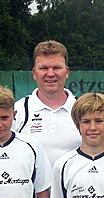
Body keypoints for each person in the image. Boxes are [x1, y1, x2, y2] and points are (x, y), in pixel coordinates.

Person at [13, 40, 80, 168]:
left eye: (56, 68)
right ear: (34, 73)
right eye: (43, 68)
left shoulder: (83, 109)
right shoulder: (18, 110)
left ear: (67, 72)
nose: (50, 74)